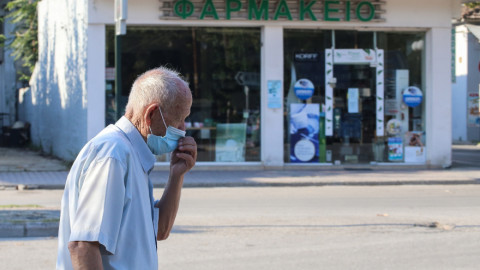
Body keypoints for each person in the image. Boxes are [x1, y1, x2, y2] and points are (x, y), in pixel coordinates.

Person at [56, 67, 197, 269]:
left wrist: (177, 175)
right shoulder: (113, 154)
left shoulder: (131, 153)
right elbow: (82, 246)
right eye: (179, 119)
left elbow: (159, 230)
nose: (183, 129)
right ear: (152, 114)